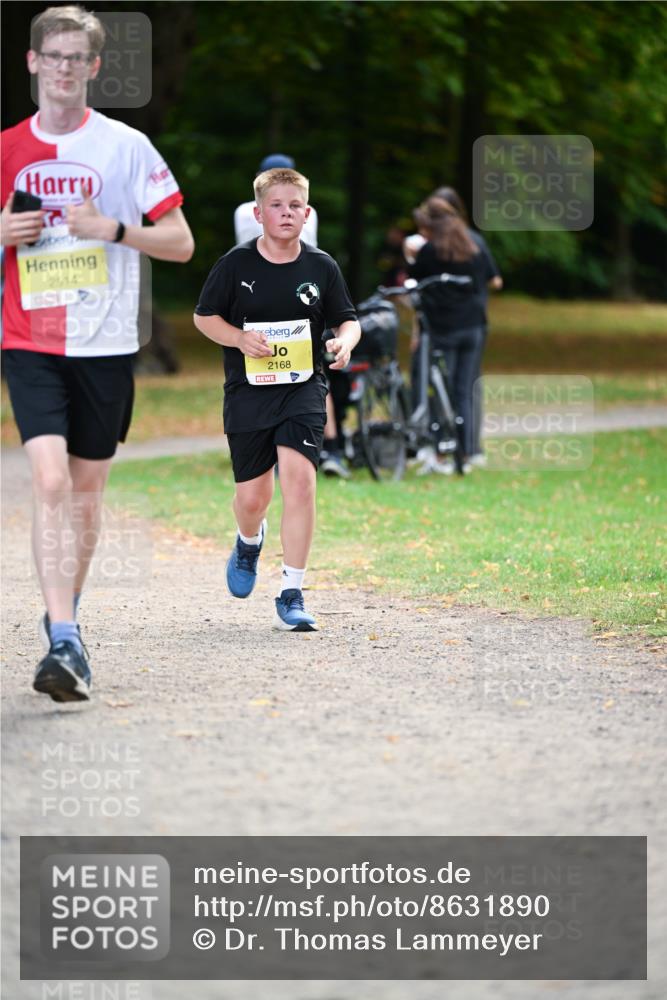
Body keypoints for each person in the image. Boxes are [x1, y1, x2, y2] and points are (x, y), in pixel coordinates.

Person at [1, 5, 194, 702]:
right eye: (50, 56)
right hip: (29, 340)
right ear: (31, 63)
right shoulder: (4, 149)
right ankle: (62, 635)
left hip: (108, 344)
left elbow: (180, 242)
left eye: (73, 58)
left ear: (93, 67)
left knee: (85, 494)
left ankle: (67, 626)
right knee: (48, 482)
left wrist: (114, 228)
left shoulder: (126, 147)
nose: (61, 69)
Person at [194, 166, 360, 631]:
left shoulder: (321, 266)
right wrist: (239, 338)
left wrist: (345, 343)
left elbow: (349, 319)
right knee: (253, 497)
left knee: (300, 481)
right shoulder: (235, 265)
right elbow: (204, 318)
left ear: (306, 214)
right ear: (258, 213)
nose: (286, 214)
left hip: (304, 388)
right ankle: (249, 540)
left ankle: (292, 590)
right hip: (249, 392)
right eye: (276, 206)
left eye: (294, 206)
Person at [235, 154, 347, 478]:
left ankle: (320, 448)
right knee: (290, 375)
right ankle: (332, 448)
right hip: (272, 297)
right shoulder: (285, 210)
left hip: (290, 297)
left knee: (309, 377)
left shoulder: (250, 211)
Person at [408, 193, 501, 470]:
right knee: (465, 389)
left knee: (441, 389)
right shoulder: (474, 244)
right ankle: (469, 449)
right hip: (473, 325)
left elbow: (417, 286)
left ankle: (443, 448)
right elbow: (494, 280)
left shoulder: (429, 251)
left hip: (443, 327)